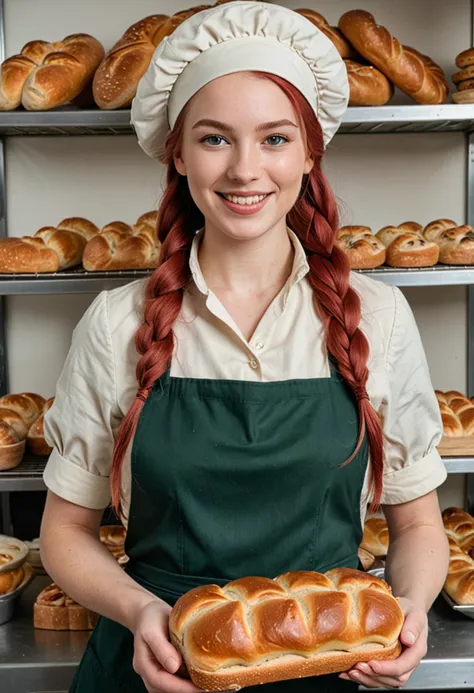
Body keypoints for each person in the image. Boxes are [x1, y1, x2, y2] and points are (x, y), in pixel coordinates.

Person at [39, 3, 450, 692]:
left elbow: (415, 525)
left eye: (274, 138)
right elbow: (64, 532)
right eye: (214, 139)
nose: (244, 170)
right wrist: (141, 610)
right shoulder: (117, 322)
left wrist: (407, 612)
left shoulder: (377, 316)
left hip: (329, 665)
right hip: (157, 664)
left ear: (310, 149)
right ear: (177, 150)